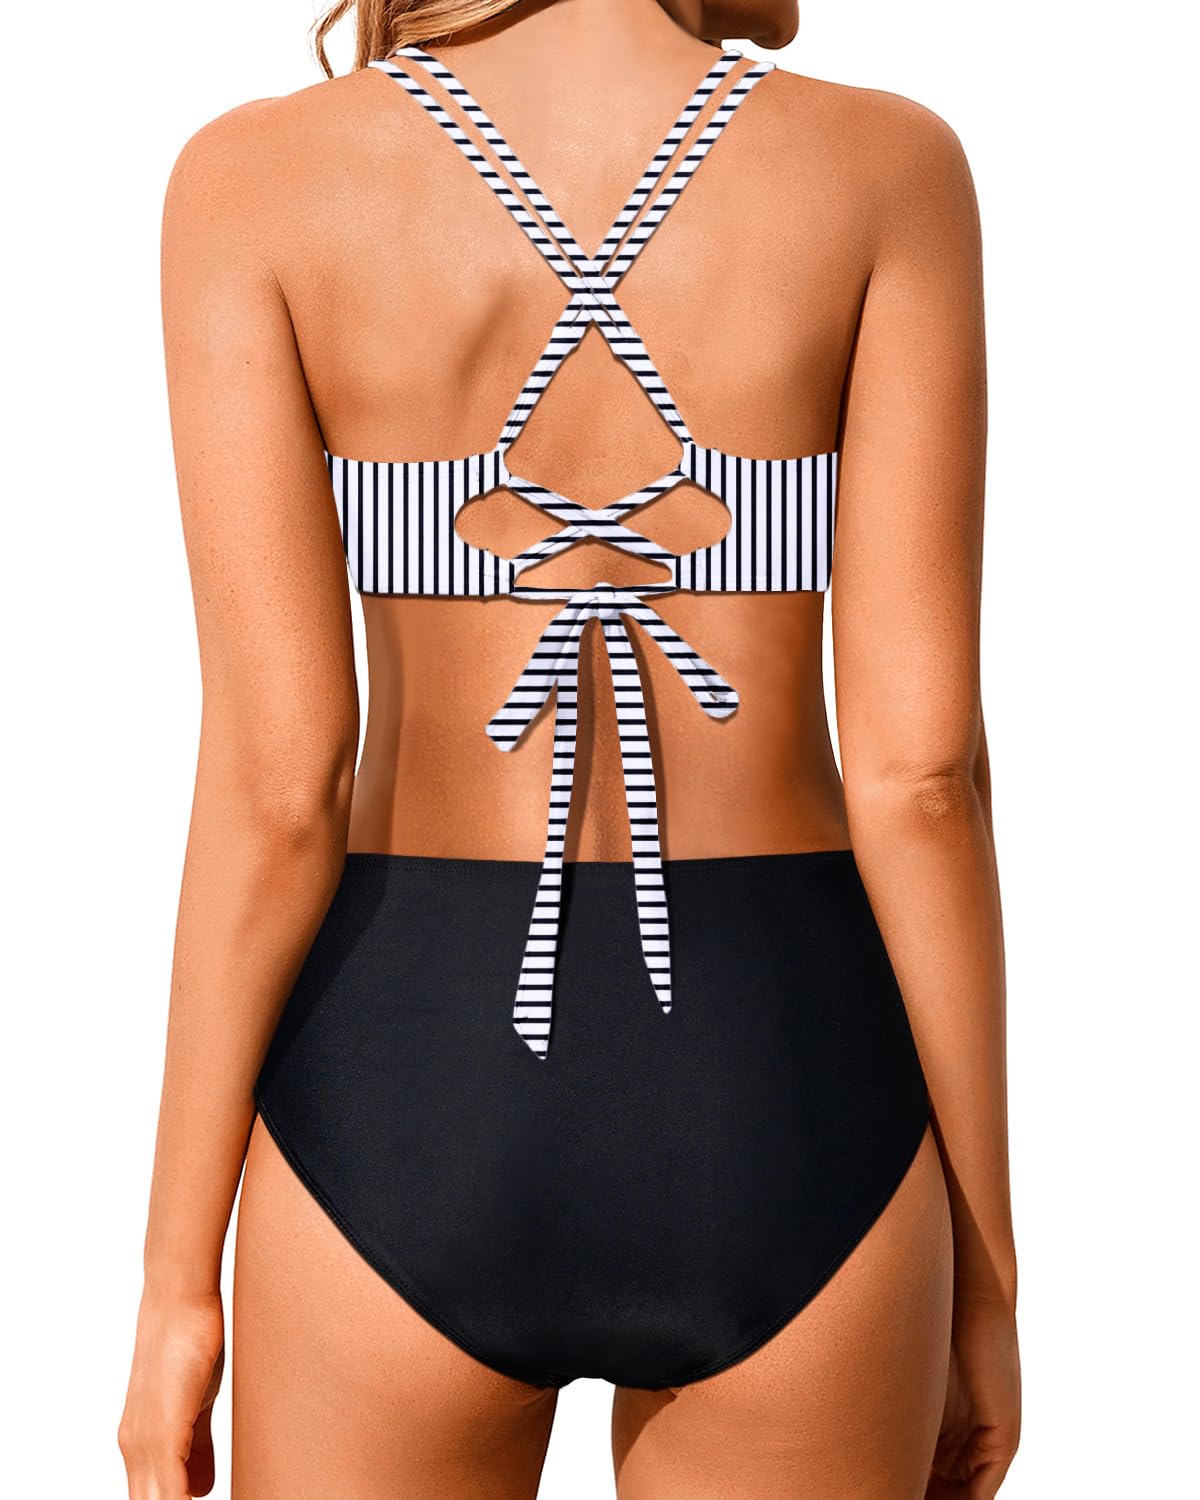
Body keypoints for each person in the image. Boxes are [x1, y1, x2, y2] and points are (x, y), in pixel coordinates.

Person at [118, 0, 1020, 1495]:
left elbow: (281, 787)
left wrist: (172, 1284)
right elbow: (922, 780)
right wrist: (986, 1270)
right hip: (784, 1072)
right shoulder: (885, 168)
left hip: (408, 1071)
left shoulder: (256, 182)